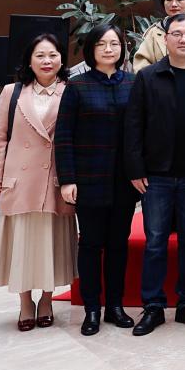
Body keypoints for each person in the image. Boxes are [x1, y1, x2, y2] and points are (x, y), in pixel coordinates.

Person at [123, 13, 185, 336]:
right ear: (165, 39)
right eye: (177, 34)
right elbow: (133, 125)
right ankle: (153, 306)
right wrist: (136, 168)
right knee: (155, 241)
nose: (183, 39)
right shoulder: (148, 77)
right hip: (157, 176)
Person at [0, 34, 76, 332]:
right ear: (29, 60)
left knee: (51, 243)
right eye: (40, 55)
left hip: (55, 180)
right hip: (20, 180)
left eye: (52, 55)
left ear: (62, 59)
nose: (47, 61)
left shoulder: (71, 91)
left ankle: (47, 300)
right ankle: (25, 302)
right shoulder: (12, 93)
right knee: (22, 245)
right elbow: (1, 137)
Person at [55, 24, 138, 336]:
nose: (108, 49)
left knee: (118, 244)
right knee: (90, 244)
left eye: (114, 44)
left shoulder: (133, 83)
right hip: (89, 179)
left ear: (122, 49)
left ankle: (115, 305)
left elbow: (140, 131)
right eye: (102, 44)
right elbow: (63, 136)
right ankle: (92, 308)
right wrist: (67, 179)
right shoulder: (77, 86)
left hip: (123, 181)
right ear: (91, 49)